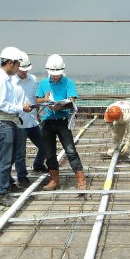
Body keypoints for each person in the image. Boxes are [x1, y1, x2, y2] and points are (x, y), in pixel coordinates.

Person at [35, 54, 86, 196]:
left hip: (62, 121)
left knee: (70, 151)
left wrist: (61, 107)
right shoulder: (43, 83)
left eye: (58, 74)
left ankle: (81, 181)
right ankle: (54, 180)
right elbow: (38, 99)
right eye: (53, 74)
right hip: (47, 121)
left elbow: (72, 99)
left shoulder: (68, 82)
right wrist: (44, 99)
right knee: (50, 153)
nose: (56, 76)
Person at [0, 46, 32, 206]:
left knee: (8, 158)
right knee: (4, 160)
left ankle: (5, 187)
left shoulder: (5, 79)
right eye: (17, 65)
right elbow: (0, 104)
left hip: (9, 122)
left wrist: (20, 106)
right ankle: (0, 193)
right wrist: (21, 107)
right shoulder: (1, 80)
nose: (18, 68)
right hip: (4, 122)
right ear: (11, 63)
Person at [11, 51, 47, 188]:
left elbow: (35, 99)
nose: (24, 72)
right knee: (20, 152)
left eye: (26, 70)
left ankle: (38, 164)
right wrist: (21, 107)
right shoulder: (12, 82)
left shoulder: (33, 80)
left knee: (44, 145)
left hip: (32, 121)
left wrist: (38, 112)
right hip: (19, 122)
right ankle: (22, 177)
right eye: (22, 69)